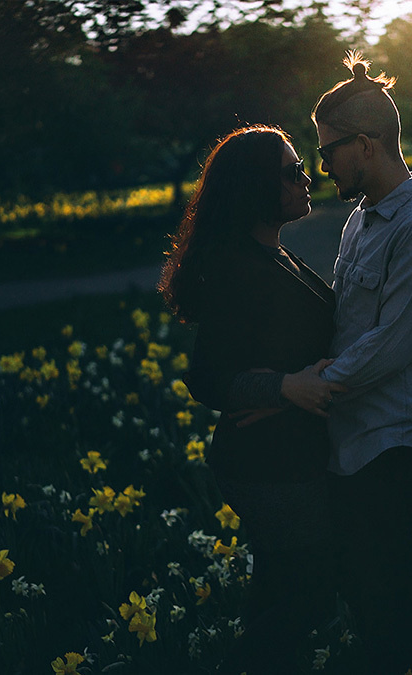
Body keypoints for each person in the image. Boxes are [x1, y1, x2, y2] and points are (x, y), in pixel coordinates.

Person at [159, 124, 347, 674]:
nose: (307, 177)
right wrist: (285, 387)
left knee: (279, 590)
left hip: (284, 453)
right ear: (255, 188)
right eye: (292, 173)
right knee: (311, 596)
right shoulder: (239, 268)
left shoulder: (271, 253)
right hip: (267, 465)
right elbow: (209, 377)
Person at [306, 51, 412, 674]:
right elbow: (349, 324)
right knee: (368, 609)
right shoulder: (359, 221)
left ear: (366, 146)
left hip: (391, 449)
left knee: (391, 611)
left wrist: (313, 387)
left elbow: (392, 343)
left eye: (328, 153)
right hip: (350, 442)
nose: (322, 168)